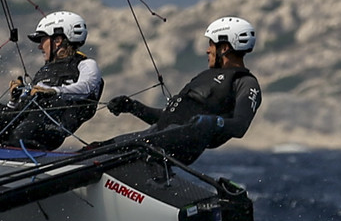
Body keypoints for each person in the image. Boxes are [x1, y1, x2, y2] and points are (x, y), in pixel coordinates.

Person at [105, 16, 262, 164]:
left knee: (115, 153)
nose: (208, 50)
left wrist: (212, 122)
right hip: (157, 133)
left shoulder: (246, 83)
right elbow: (168, 117)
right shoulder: (205, 75)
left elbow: (240, 126)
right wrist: (132, 106)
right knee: (97, 148)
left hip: (182, 145)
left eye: (211, 45)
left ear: (225, 48)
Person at [0, 10, 104, 151]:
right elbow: (18, 111)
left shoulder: (85, 64)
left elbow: (87, 87)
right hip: (18, 124)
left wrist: (54, 91)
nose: (39, 46)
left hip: (47, 131)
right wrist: (14, 100)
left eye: (42, 39)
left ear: (57, 40)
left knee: (23, 130)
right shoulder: (44, 70)